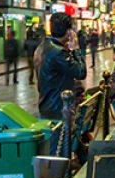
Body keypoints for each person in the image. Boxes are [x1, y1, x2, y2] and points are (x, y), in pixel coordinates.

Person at [37, 13, 88, 154]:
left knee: (56, 149)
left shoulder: (43, 46)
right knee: (58, 152)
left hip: (47, 104)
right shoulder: (58, 52)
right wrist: (76, 48)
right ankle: (60, 175)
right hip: (57, 108)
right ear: (67, 31)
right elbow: (80, 72)